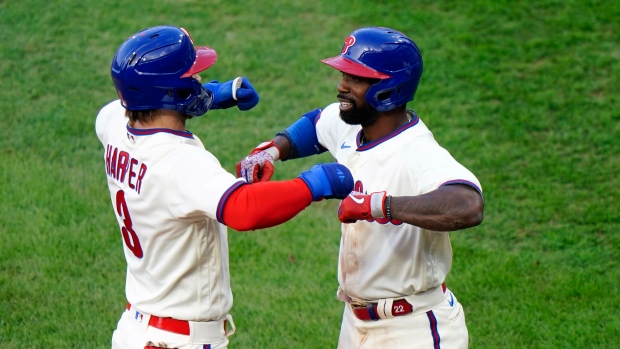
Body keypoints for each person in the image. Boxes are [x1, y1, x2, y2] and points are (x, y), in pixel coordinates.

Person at [95, 25, 354, 349]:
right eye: (192, 78)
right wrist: (316, 183)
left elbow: (122, 105)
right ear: (173, 92)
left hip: (137, 329)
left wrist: (216, 95)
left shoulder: (114, 126)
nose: (199, 80)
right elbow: (244, 209)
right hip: (177, 340)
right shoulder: (180, 163)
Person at [236, 26, 485, 348]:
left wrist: (379, 206)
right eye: (344, 75)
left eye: (355, 79)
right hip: (355, 325)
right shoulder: (351, 126)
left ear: (389, 89)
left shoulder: (417, 152)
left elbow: (468, 205)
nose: (342, 87)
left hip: (413, 329)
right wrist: (273, 149)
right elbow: (316, 123)